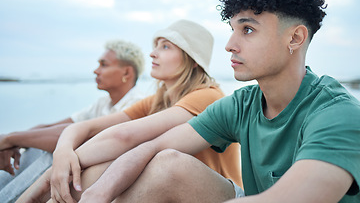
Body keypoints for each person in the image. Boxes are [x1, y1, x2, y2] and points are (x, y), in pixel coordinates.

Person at [32, 0, 360, 203]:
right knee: (156, 165)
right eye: (232, 29)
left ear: (295, 37)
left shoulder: (338, 114)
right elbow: (151, 148)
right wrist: (98, 194)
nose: (230, 44)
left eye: (247, 30)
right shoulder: (243, 102)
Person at [17, 19, 242, 203]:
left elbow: (124, 136)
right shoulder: (157, 100)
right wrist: (62, 151)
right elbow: (86, 127)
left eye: (165, 47)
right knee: (104, 167)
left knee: (127, 164)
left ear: (192, 61)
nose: (153, 53)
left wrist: (47, 179)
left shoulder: (207, 96)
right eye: (155, 45)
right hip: (167, 190)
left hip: (212, 193)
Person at [0, 39, 145, 203]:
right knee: (38, 144)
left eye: (104, 65)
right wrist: (13, 141)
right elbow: (51, 128)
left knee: (55, 153)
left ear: (126, 73)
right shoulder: (103, 104)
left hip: (102, 178)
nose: (96, 71)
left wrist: (11, 139)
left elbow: (78, 141)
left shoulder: (137, 105)